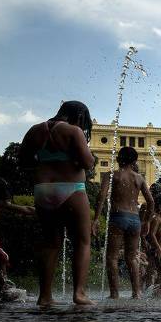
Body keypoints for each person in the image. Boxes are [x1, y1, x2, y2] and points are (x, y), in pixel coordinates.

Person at [18, 101, 96, 306]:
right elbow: (88, 163)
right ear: (79, 116)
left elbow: (23, 160)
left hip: (43, 191)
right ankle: (79, 293)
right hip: (72, 190)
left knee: (50, 243)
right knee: (82, 241)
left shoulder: (34, 131)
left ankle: (44, 296)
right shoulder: (73, 131)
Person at [93, 146, 154, 299]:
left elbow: (101, 196)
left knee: (112, 257)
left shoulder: (112, 175)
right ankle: (137, 293)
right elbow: (151, 201)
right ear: (134, 161)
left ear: (118, 159)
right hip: (134, 220)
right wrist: (146, 221)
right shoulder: (139, 178)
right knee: (132, 257)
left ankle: (114, 294)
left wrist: (95, 219)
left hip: (118, 217)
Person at [0, 177, 35, 301]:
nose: (7, 200)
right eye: (4, 198)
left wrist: (48, 210)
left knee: (3, 257)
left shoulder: (3, 206)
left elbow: (27, 210)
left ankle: (4, 286)